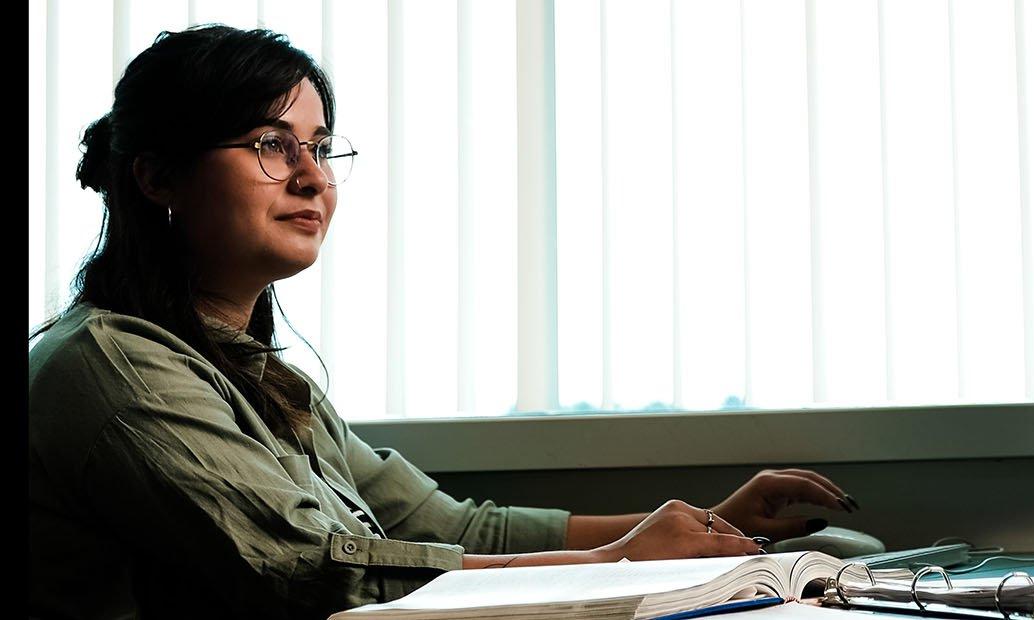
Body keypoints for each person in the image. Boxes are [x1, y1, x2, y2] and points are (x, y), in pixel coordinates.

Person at [28, 25, 858, 619]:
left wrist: (713, 522)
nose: (314, 178)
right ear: (157, 176)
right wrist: (617, 560)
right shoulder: (112, 370)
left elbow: (447, 528)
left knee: (853, 558)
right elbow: (319, 576)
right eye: (271, 143)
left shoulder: (252, 372)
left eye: (321, 146)